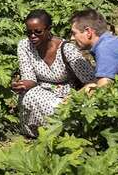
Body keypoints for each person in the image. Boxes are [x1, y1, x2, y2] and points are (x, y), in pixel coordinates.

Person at [12, 9, 95, 138]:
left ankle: (64, 132)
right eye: (29, 32)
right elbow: (30, 79)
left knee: (60, 109)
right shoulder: (25, 46)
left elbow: (91, 81)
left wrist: (72, 100)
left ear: (49, 29)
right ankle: (40, 133)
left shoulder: (66, 49)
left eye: (38, 32)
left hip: (67, 96)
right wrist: (21, 85)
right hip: (39, 91)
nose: (32, 36)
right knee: (28, 95)